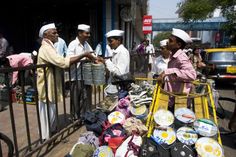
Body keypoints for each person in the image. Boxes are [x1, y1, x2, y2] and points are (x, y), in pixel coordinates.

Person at [37, 23, 96, 140]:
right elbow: (62, 62)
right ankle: (45, 137)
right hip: (48, 84)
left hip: (54, 83)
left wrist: (92, 57)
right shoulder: (46, 48)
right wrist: (83, 55)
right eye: (54, 33)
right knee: (47, 112)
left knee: (52, 110)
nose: (57, 35)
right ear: (46, 35)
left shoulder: (51, 46)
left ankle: (51, 133)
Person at [157, 28, 197, 112]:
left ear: (178, 45)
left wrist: (167, 72)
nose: (167, 42)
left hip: (180, 100)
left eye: (171, 41)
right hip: (172, 97)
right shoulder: (173, 55)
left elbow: (192, 75)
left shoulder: (181, 57)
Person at [67, 24, 95, 119]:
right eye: (86, 33)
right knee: (75, 99)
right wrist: (83, 56)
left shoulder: (87, 45)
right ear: (80, 33)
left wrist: (95, 58)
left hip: (85, 76)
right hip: (75, 77)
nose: (88, 35)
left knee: (85, 98)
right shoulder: (72, 44)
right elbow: (69, 59)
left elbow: (92, 54)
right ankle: (75, 119)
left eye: (89, 33)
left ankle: (83, 117)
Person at [97, 30, 130, 97]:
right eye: (108, 41)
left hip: (119, 88)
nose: (109, 43)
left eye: (111, 41)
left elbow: (120, 73)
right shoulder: (117, 51)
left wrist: (106, 61)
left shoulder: (122, 52)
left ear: (118, 40)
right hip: (115, 87)